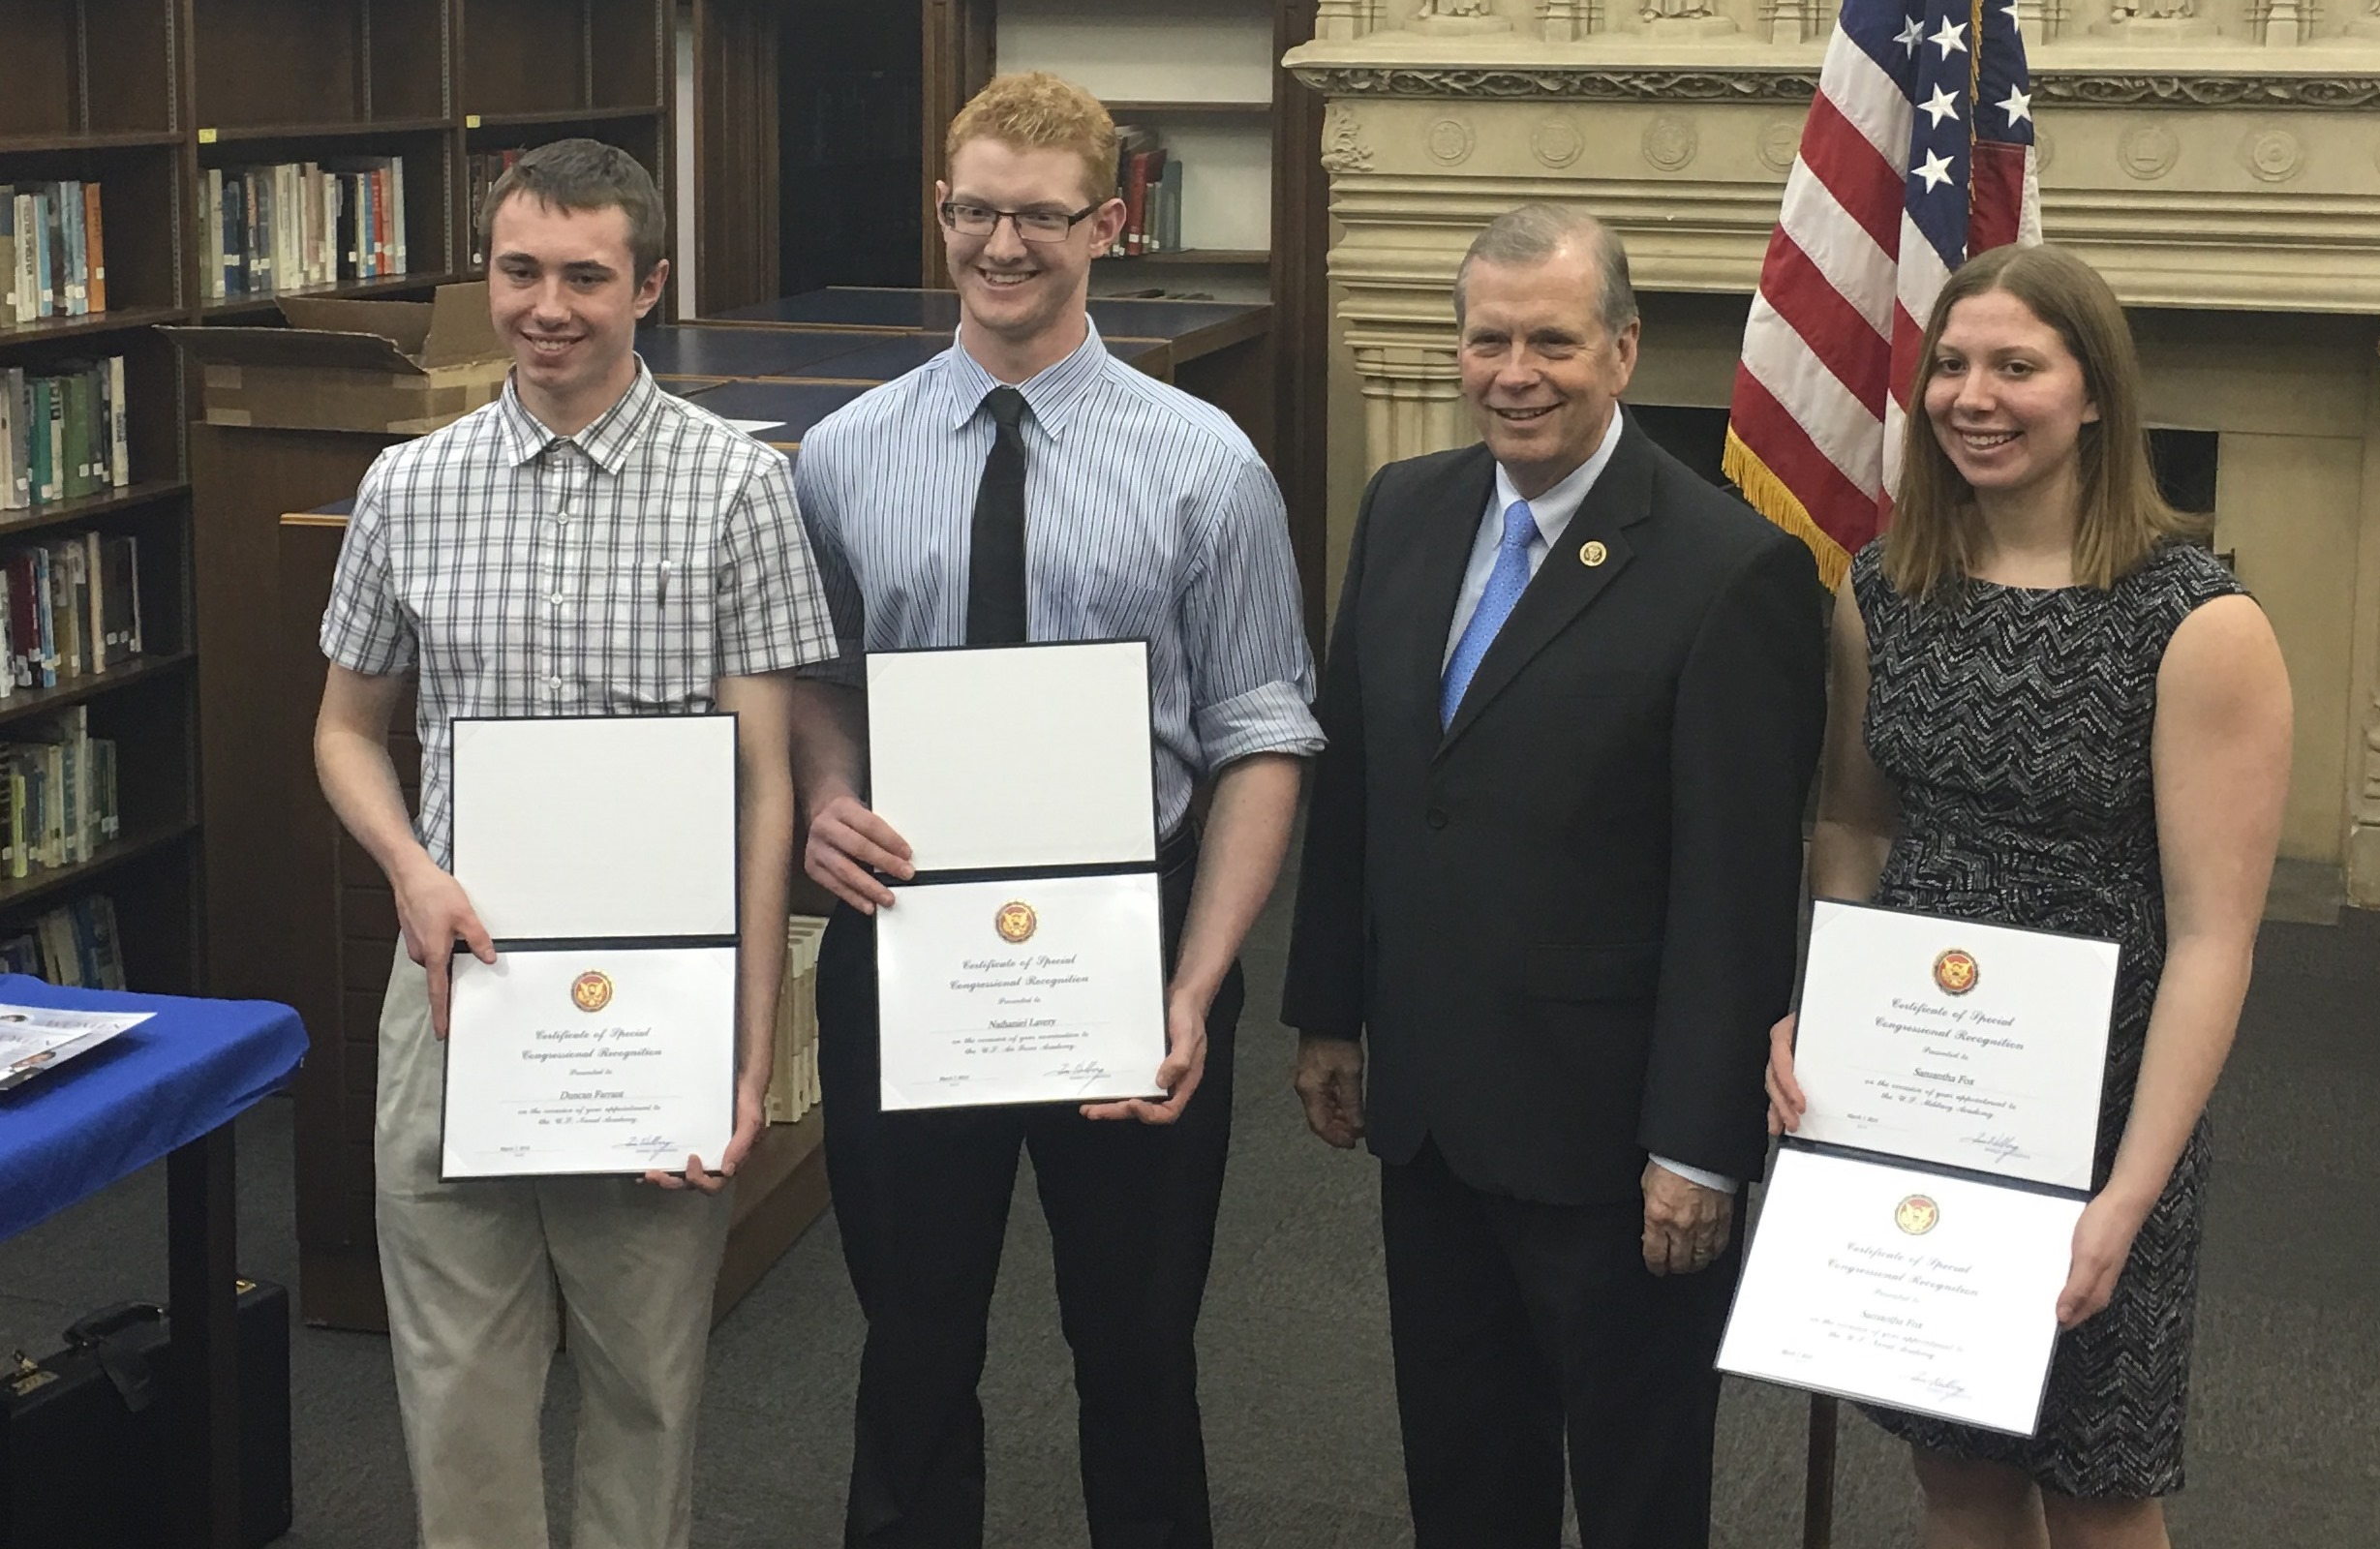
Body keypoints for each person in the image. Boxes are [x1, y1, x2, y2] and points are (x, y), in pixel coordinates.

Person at [789, 71, 1320, 1549]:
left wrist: (1200, 984)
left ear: (1108, 222)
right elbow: (818, 682)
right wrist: (828, 795)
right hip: (906, 938)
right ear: (940, 215)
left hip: (1127, 941)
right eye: (977, 211)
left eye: (1039, 216)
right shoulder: (842, 456)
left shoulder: (1204, 463)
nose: (1003, 245)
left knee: (1140, 1351)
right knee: (910, 1343)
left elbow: (1262, 730)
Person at [313, 137, 836, 1549]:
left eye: (588, 277)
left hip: (651, 1004)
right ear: (486, 274)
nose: (549, 306)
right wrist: (411, 872)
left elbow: (762, 784)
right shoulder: (406, 487)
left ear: (648, 286)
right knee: (457, 1383)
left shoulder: (738, 486)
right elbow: (346, 732)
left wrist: (747, 1045)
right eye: (521, 269)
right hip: (453, 986)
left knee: (643, 1384)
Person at [1281, 203, 1827, 1549]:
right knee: (1463, 1470)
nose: (1513, 373)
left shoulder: (1730, 570)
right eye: (1487, 341)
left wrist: (1700, 1143)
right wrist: (1328, 1014)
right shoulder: (1406, 507)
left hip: (1613, 1147)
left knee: (1637, 1492)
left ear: (1624, 351)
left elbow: (1735, 890)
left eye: (1552, 342)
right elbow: (1359, 782)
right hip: (1432, 1114)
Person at [1767, 243, 2292, 1549]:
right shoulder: (1888, 584)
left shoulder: (2196, 621)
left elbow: (2218, 941)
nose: (1973, 395)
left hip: (2109, 1100)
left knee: (2098, 1480)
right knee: (1957, 1466)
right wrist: (1821, 1017)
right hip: (1922, 1078)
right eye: (1950, 364)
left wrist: (2127, 1192)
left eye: (2017, 365)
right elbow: (1850, 817)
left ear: (2094, 393)